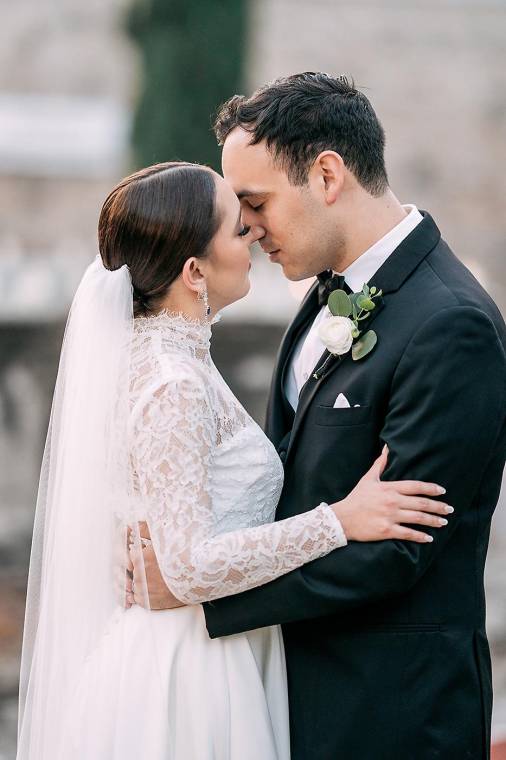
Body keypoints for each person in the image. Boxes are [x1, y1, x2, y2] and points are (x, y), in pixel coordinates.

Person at [16, 161, 451, 760]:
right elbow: (189, 564)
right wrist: (339, 521)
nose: (252, 233)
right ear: (195, 271)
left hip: (207, 644)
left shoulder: (169, 362)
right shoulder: (173, 384)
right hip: (189, 670)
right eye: (235, 228)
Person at [136, 75, 506, 759]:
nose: (246, 228)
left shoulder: (453, 324)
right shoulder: (327, 292)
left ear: (327, 175)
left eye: (256, 202)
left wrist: (202, 595)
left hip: (390, 714)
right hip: (290, 695)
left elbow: (398, 549)